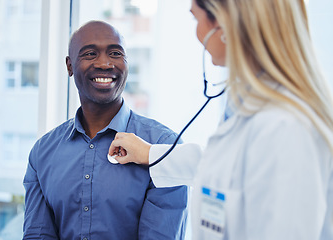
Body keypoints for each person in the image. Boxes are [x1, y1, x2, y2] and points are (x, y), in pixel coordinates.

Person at [109, 0, 333, 239]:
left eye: (196, 18)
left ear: (224, 24)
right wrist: (151, 154)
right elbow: (232, 165)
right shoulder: (252, 109)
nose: (197, 34)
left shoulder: (286, 128)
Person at [23, 20, 189, 240]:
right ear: (69, 66)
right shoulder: (42, 153)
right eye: (90, 54)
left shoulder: (164, 149)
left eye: (115, 53)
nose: (104, 63)